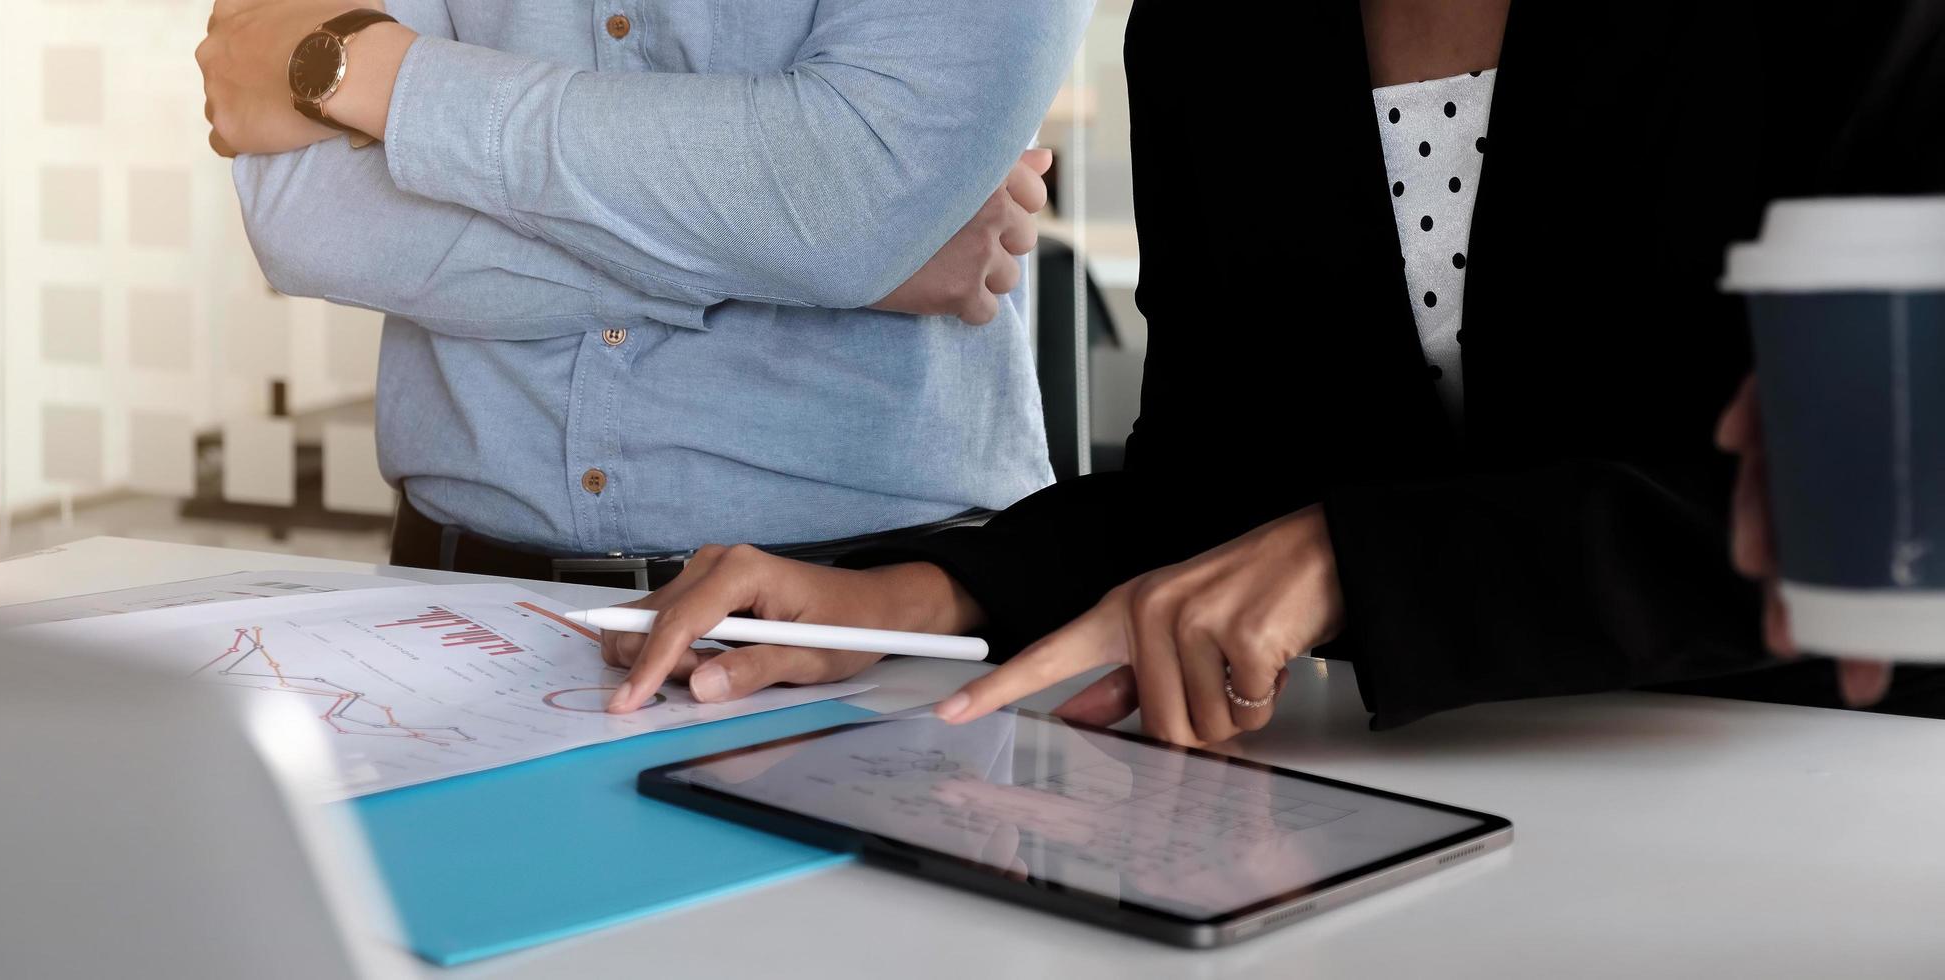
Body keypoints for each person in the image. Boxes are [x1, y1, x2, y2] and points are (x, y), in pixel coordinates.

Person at [600, 0, 1945, 735]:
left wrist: (1363, 558)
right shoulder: (1209, 25)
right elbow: (1218, 477)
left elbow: (1890, 492)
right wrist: (919, 589)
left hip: (1825, 770)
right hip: (1427, 795)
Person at [196, 0, 1090, 587]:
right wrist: (810, 250)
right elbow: (306, 216)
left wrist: (391, 84)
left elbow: (846, 206)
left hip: (886, 610)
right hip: (452, 594)